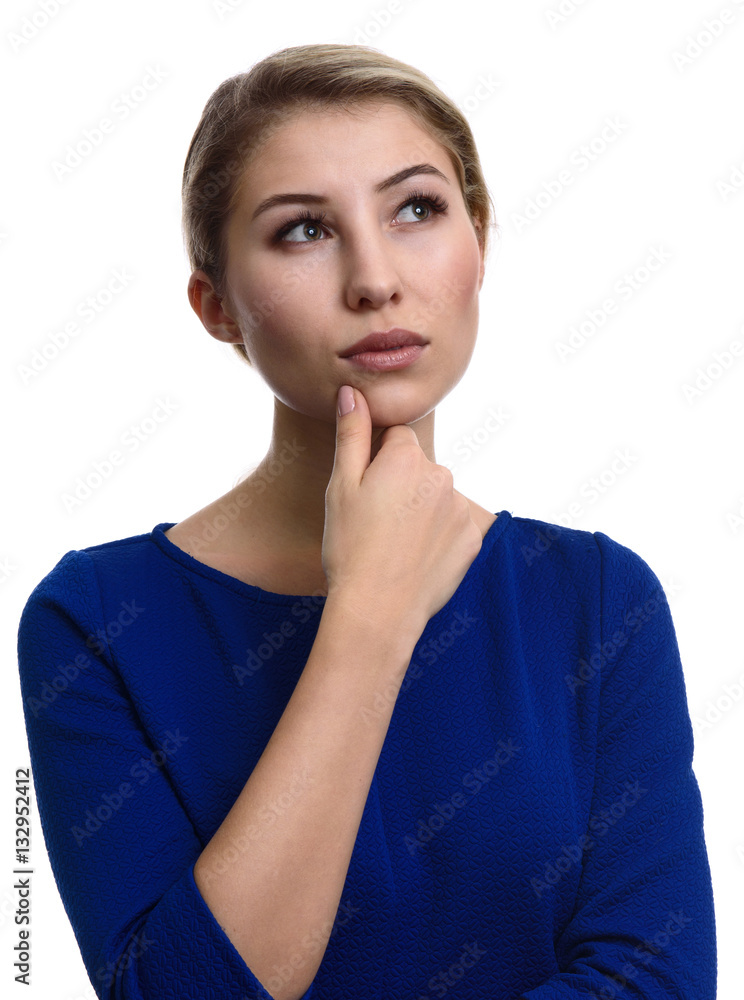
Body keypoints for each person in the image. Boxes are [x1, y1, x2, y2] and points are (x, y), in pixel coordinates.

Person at [17, 43, 716, 1000]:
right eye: (304, 230)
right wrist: (368, 620)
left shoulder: (597, 598)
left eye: (418, 209)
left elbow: (654, 982)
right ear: (215, 306)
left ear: (479, 243)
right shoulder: (95, 621)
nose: (375, 278)